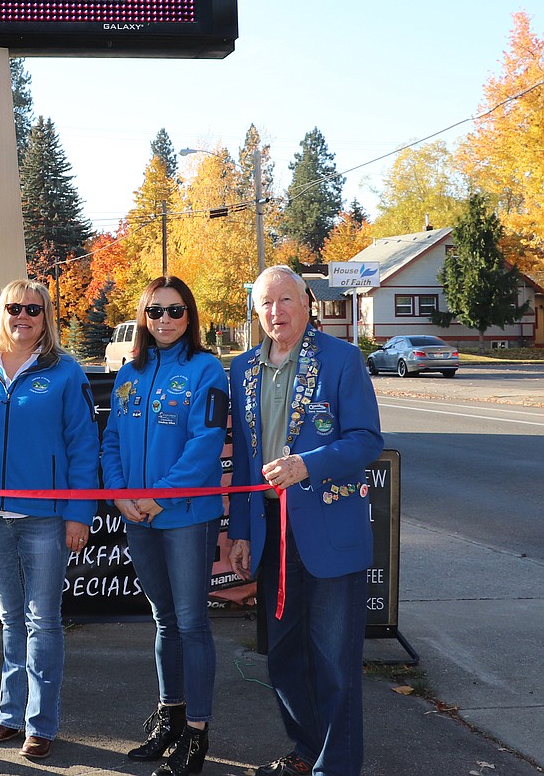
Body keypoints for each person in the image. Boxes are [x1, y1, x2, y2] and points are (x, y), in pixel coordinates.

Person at [228, 265, 384, 776]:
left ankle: (335, 767)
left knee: (335, 663)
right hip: (272, 532)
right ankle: (306, 749)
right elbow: (248, 463)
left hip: (329, 532)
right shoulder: (243, 369)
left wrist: (307, 464)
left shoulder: (342, 359)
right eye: (266, 303)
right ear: (256, 312)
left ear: (307, 303)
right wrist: (242, 532)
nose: (277, 312)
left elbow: (365, 441)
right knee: (283, 656)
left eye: (286, 300)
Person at [0, 280, 98, 761]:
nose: (24, 315)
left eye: (34, 309)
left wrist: (78, 513)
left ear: (45, 316)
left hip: (46, 518)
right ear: (2, 312)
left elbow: (83, 447)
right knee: (10, 618)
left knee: (43, 621)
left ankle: (40, 722)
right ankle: (9, 716)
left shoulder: (65, 372)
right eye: (14, 307)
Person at [101, 276, 229, 776]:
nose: (165, 321)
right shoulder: (129, 373)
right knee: (164, 621)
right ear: (143, 317)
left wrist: (156, 498)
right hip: (137, 516)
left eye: (175, 312)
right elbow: (110, 439)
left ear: (190, 316)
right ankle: (169, 718)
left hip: (185, 518)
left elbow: (204, 447)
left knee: (192, 622)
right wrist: (120, 494)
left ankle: (196, 733)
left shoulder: (207, 370)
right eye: (155, 312)